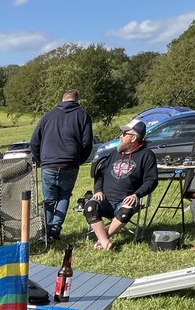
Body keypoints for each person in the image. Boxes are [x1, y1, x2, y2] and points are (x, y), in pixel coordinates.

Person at [81, 120, 158, 251]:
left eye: (124, 134)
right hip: (104, 200)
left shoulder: (146, 155)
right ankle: (105, 242)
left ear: (133, 138)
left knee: (126, 210)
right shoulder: (114, 154)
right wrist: (98, 190)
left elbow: (151, 180)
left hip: (125, 201)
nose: (120, 137)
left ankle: (102, 239)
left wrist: (136, 194)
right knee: (90, 207)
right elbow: (100, 174)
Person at [30, 88, 94, 240]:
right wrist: (79, 160)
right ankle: (55, 228)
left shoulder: (48, 116)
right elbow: (87, 143)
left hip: (49, 164)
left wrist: (40, 160)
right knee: (64, 196)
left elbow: (34, 141)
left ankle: (46, 230)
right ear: (77, 100)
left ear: (63, 99)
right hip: (70, 163)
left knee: (49, 199)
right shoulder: (83, 115)